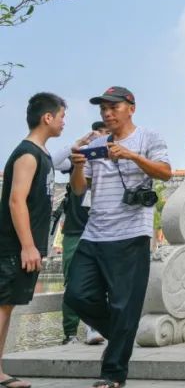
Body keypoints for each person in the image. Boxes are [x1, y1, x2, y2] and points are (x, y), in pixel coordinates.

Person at [66, 86, 172, 388]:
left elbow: (164, 173)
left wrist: (130, 155)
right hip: (95, 232)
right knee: (76, 295)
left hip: (130, 233)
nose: (107, 113)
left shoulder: (149, 138)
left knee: (125, 304)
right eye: (103, 109)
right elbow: (77, 190)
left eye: (114, 107)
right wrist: (77, 164)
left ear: (131, 108)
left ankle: (113, 372)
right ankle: (120, 333)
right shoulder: (96, 144)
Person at [0, 93, 67, 388]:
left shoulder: (42, 153)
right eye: (62, 116)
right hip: (12, 247)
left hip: (24, 247)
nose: (64, 122)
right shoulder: (27, 154)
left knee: (6, 307)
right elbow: (16, 201)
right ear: (48, 118)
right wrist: (27, 246)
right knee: (0, 308)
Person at [52, 120, 109, 346]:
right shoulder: (79, 160)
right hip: (76, 231)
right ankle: (70, 334)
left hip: (104, 231)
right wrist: (79, 143)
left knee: (102, 282)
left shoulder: (113, 163)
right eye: (98, 135)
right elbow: (53, 162)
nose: (101, 139)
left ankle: (95, 327)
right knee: (72, 281)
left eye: (106, 135)